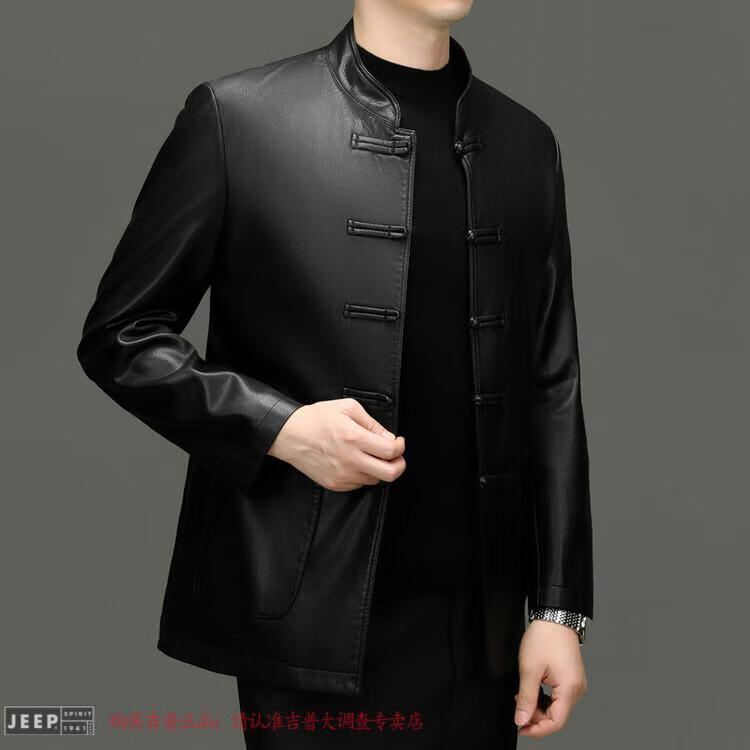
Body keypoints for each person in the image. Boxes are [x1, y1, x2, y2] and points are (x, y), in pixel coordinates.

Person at [77, 1, 594, 747]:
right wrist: (279, 427)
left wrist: (557, 610)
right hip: (310, 621)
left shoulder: (525, 143)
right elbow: (121, 336)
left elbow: (551, 385)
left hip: (478, 633)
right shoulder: (240, 118)